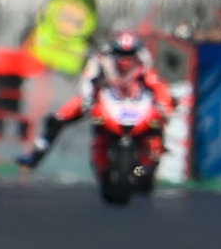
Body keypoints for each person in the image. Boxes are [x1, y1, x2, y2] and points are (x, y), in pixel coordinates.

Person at [20, 30, 174, 167]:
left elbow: (157, 85)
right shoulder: (101, 60)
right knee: (58, 118)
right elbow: (87, 80)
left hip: (135, 103)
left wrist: (164, 104)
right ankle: (37, 154)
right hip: (105, 99)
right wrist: (88, 98)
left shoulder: (144, 61)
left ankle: (147, 163)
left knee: (157, 122)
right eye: (121, 55)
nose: (125, 61)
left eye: (130, 56)